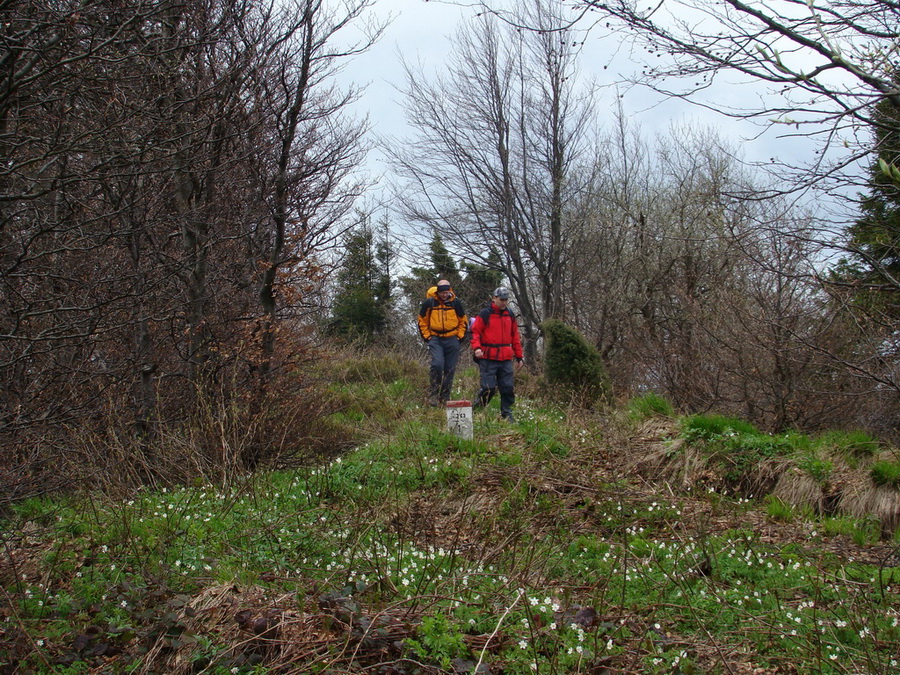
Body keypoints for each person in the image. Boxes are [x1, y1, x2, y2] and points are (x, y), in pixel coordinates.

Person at [469, 286, 524, 422]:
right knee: (489, 388)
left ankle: (507, 413)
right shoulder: (485, 314)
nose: (504, 302)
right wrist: (477, 348)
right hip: (488, 357)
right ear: (494, 298)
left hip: (505, 357)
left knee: (507, 387)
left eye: (506, 300)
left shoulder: (510, 314)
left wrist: (519, 356)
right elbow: (475, 332)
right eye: (501, 299)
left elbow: (515, 337)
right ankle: (477, 408)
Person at [417, 279, 468, 406]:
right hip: (436, 339)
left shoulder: (455, 302)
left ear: (449, 291)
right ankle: (433, 394)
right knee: (437, 365)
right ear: (438, 292)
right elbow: (422, 320)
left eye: (447, 292)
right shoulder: (430, 303)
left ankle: (445, 396)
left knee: (450, 369)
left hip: (452, 339)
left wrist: (459, 337)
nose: (445, 295)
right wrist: (428, 337)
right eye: (442, 293)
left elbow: (463, 320)